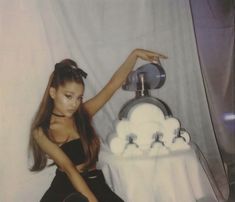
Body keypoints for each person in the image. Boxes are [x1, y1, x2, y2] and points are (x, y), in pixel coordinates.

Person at [28, 49, 167, 202]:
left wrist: (135, 55)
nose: (74, 104)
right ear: (53, 93)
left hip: (94, 182)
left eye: (79, 98)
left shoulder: (82, 114)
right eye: (68, 96)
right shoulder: (41, 131)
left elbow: (111, 86)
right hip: (66, 191)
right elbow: (69, 169)